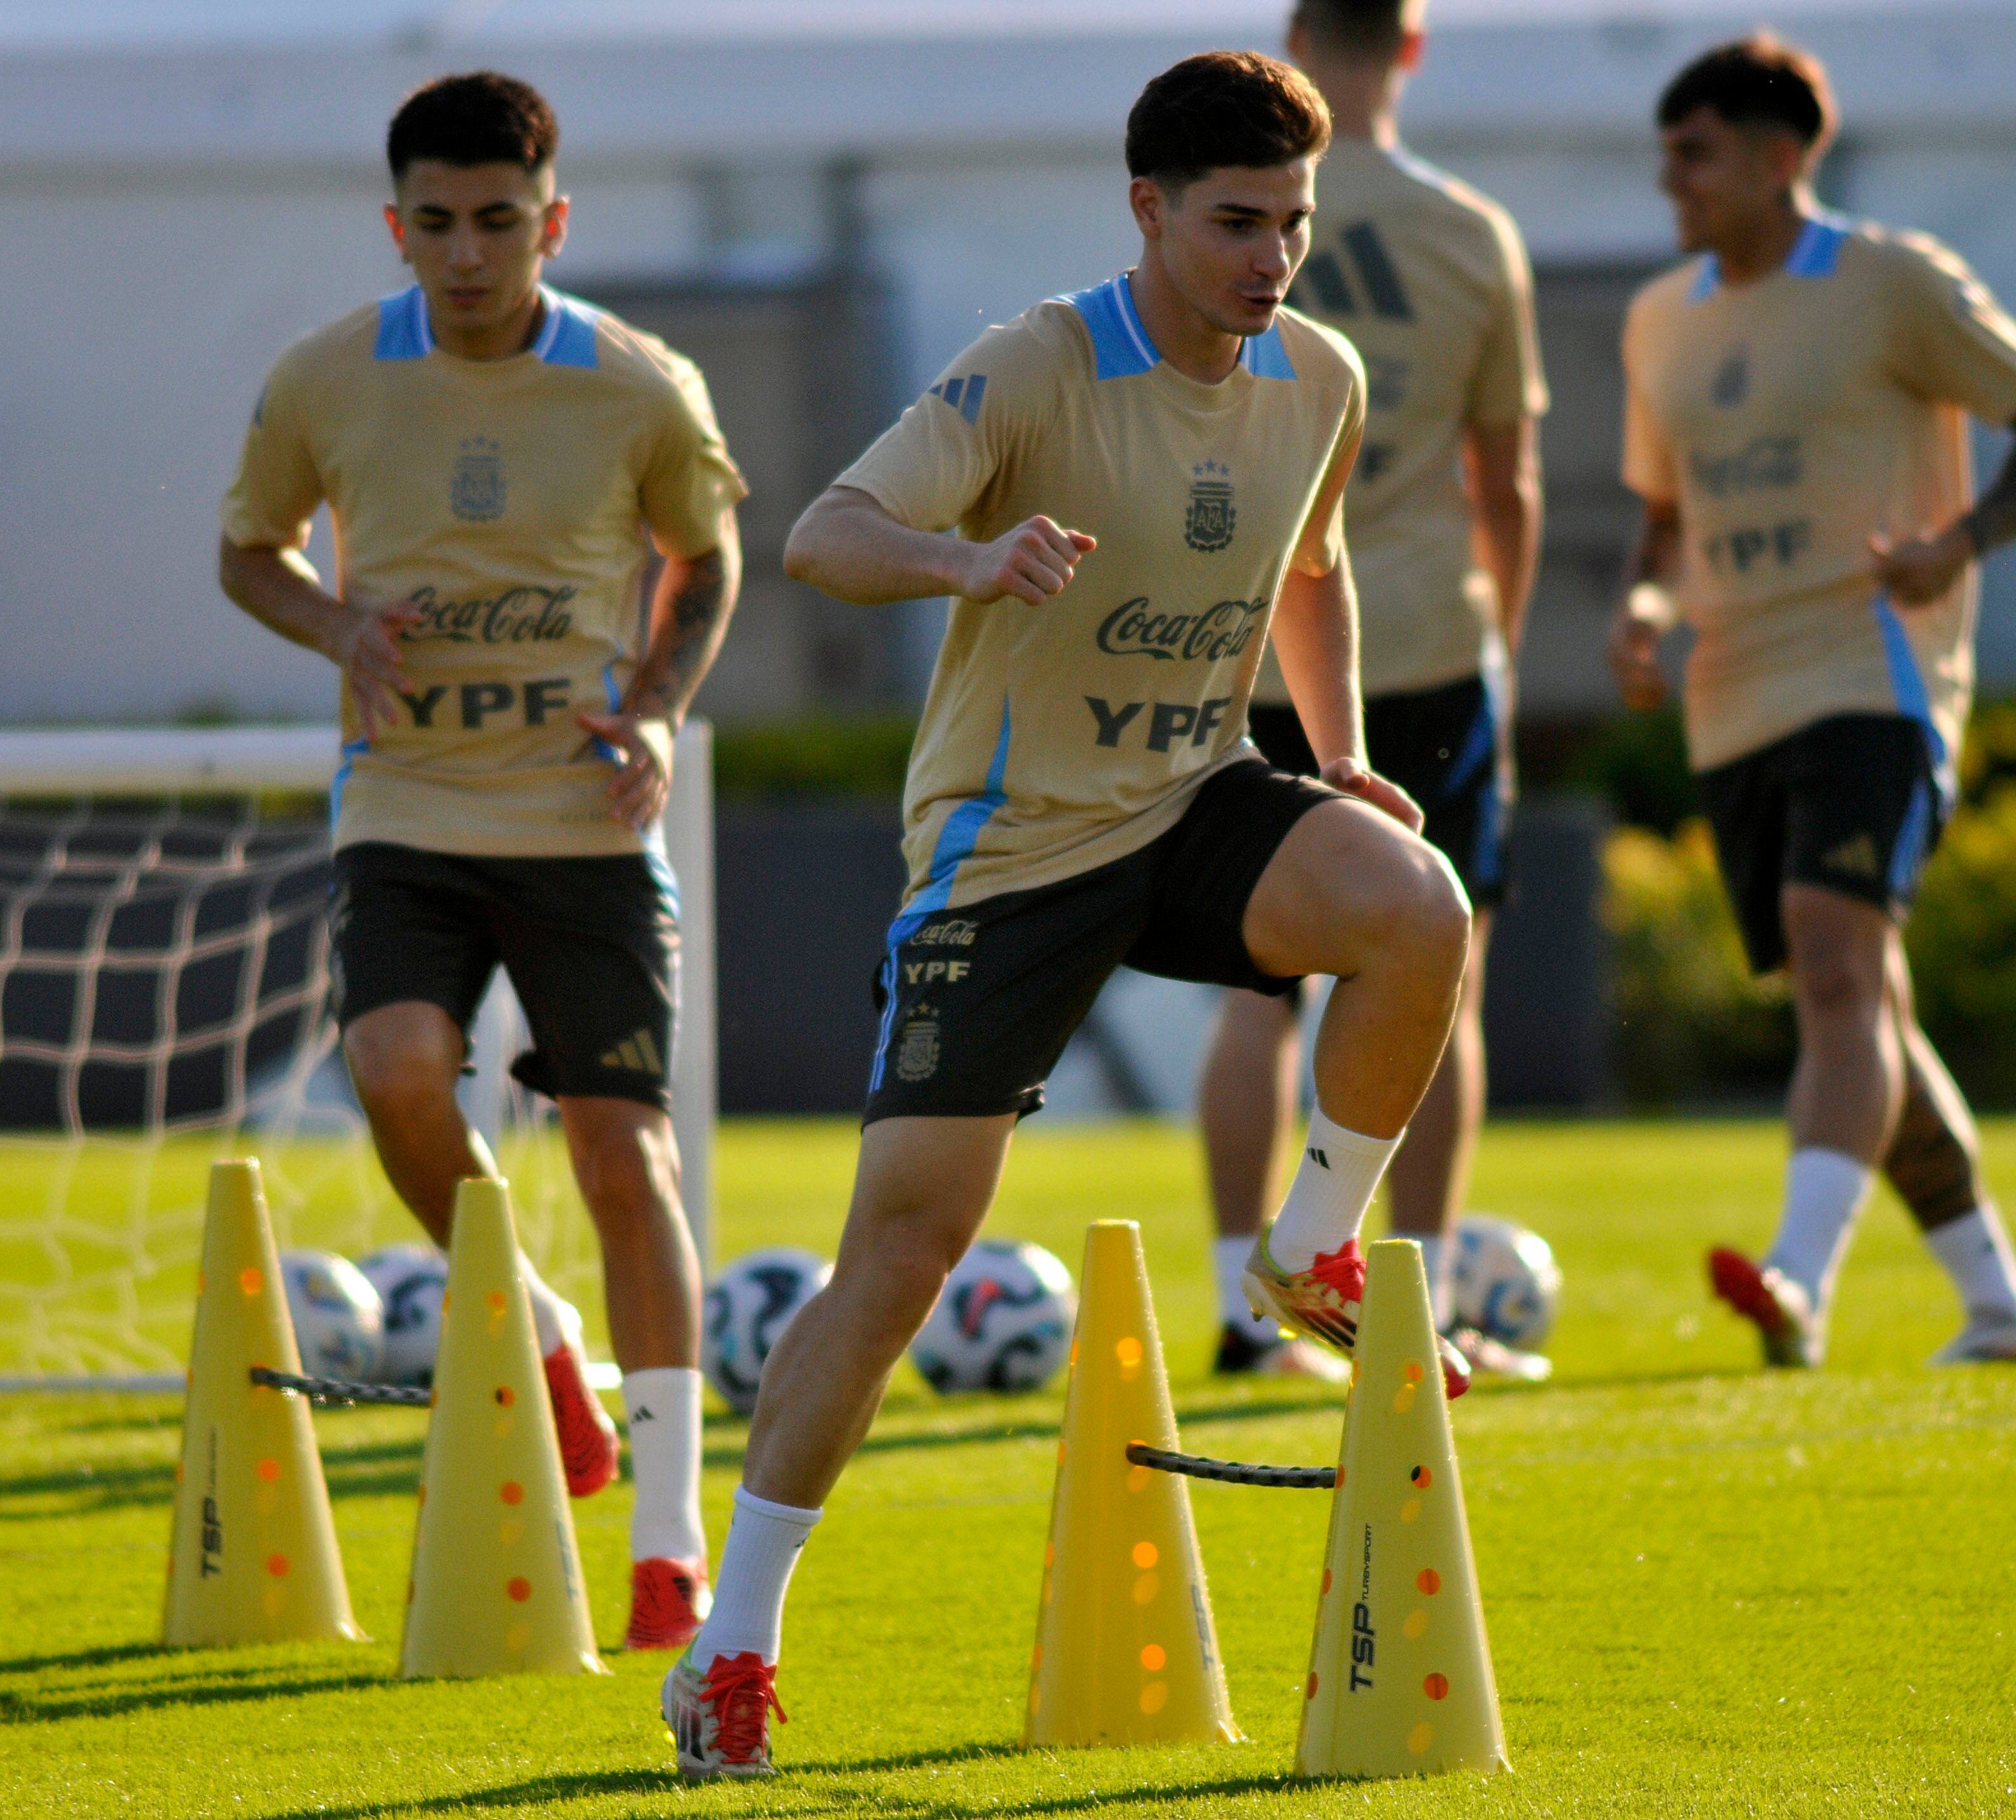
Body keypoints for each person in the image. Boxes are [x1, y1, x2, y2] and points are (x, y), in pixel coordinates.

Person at [658, 50, 1473, 1780]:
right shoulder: (1037, 359)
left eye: (1296, 223)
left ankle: (1309, 1242)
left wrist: (1342, 761)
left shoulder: (1315, 377)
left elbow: (1308, 575)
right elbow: (824, 531)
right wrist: (970, 562)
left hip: (1189, 800)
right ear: (1150, 213)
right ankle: (731, 1647)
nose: (1273, 258)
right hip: (1012, 847)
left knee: (1415, 904)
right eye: (1238, 222)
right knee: (900, 1258)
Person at [217, 72, 744, 1651]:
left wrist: (654, 706)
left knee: (621, 1157)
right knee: (392, 1070)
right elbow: (248, 549)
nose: (465, 254)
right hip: (406, 806)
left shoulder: (641, 385)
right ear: (396, 225)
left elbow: (704, 561)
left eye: (498, 222)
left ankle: (667, 1535)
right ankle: (540, 1331)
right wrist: (332, 623)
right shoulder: (323, 378)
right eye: (434, 224)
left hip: (580, 817)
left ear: (552, 222)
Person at [1610, 33, 2016, 1369]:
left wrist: (1960, 539)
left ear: (1781, 159)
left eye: (1695, 156)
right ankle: (1999, 1307)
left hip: (1869, 669)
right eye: (1665, 158)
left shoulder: (1891, 281)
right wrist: (1646, 612)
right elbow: (1665, 522)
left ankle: (1797, 1280)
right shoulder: (1658, 319)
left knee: (1835, 967)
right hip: (1731, 693)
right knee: (1862, 1008)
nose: (1673, 185)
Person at [1197, 0, 1548, 1385]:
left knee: (1252, 992)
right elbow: (1504, 481)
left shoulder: (1238, 217)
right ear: (1411, 47)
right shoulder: (1471, 232)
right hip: (1425, 647)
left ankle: (1242, 1305)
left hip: (1254, 639)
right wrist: (1497, 641)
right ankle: (1405, 1300)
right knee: (1435, 979)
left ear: (1291, 35)